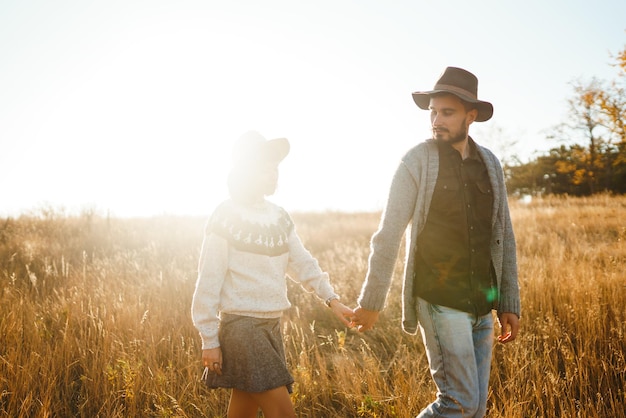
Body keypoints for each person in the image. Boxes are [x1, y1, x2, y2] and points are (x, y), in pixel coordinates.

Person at [352, 67, 521, 418]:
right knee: (458, 403)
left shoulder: (490, 163)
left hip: (481, 304)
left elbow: (502, 233)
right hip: (440, 299)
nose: (436, 120)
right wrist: (371, 301)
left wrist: (509, 301)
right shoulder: (416, 162)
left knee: (476, 411)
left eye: (447, 112)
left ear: (470, 116)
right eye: (433, 112)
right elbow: (388, 234)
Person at [191, 131, 354, 418]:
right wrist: (209, 340)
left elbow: (302, 263)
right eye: (265, 167)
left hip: (271, 327)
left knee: (243, 409)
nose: (273, 173)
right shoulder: (225, 216)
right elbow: (208, 280)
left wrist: (332, 299)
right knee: (283, 413)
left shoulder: (279, 217)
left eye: (275, 166)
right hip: (242, 329)